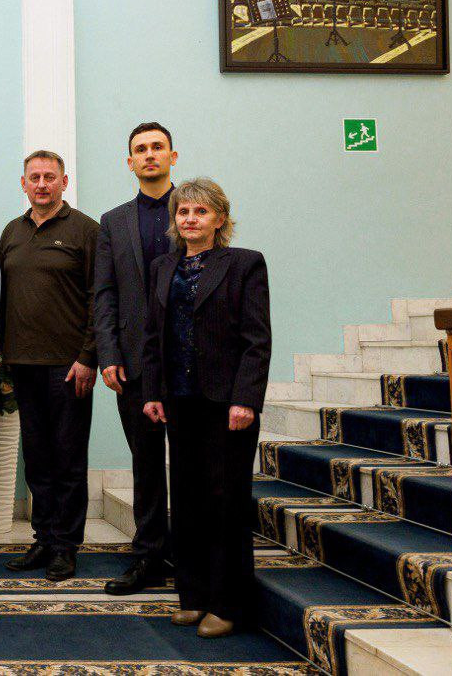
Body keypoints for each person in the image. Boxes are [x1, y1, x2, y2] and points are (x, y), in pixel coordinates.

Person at [141, 177, 270, 639]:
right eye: (183, 212)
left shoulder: (244, 264)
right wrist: (152, 392)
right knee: (188, 500)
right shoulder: (162, 267)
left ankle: (227, 603)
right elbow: (153, 336)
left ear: (220, 218)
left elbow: (256, 339)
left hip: (226, 404)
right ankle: (193, 596)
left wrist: (245, 399)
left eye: (200, 211)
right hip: (179, 401)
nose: (190, 219)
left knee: (225, 502)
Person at [0, 150, 98, 582]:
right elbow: (1, 295)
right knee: (37, 459)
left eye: (49, 177)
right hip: (22, 364)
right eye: (34, 177)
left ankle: (66, 547)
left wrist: (89, 357)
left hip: (69, 366)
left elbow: (99, 298)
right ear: (23, 183)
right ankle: (43, 538)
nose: (41, 184)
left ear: (64, 182)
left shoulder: (86, 230)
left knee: (68, 459)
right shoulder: (12, 231)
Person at [93, 122, 178, 595]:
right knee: (145, 463)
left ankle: (191, 555)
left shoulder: (195, 209)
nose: (149, 155)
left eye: (157, 147)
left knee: (189, 464)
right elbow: (104, 292)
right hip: (134, 363)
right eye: (140, 150)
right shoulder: (113, 221)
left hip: (188, 362)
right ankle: (148, 555)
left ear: (172, 156)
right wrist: (108, 354)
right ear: (130, 162)